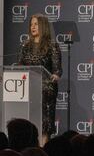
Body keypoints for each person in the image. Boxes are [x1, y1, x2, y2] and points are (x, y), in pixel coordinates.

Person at [17, 14, 62, 145]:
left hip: (46, 88)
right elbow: (19, 66)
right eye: (31, 24)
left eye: (36, 24)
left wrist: (56, 75)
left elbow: (57, 69)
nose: (33, 27)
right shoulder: (25, 45)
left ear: (43, 26)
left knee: (44, 124)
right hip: (28, 88)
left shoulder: (52, 45)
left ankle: (43, 149)